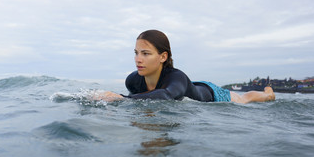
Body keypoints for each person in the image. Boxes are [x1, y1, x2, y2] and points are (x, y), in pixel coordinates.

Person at [97, 30, 275, 104]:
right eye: (136, 52)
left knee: (244, 99)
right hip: (188, 87)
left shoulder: (177, 77)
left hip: (213, 94)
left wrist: (122, 98)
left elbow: (166, 95)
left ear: (163, 56)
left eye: (145, 53)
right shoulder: (133, 80)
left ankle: (267, 94)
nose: (138, 59)